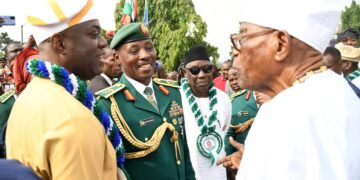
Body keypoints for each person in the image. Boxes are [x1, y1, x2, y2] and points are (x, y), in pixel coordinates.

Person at [217, 0, 360, 179]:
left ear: (280, 43)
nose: (236, 50)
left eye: (243, 37)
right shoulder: (341, 92)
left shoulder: (281, 113)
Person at [6, 0, 125, 179]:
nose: (103, 43)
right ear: (60, 44)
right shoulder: (73, 119)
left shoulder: (27, 98)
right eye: (93, 34)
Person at [97, 22, 196, 180]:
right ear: (117, 58)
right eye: (134, 51)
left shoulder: (171, 92)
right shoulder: (108, 104)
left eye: (149, 47)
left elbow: (183, 150)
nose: (145, 55)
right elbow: (112, 167)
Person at [179, 45, 231, 180]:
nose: (202, 75)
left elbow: (224, 130)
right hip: (189, 174)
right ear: (185, 73)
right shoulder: (176, 98)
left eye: (207, 69)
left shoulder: (223, 98)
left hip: (217, 172)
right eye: (195, 70)